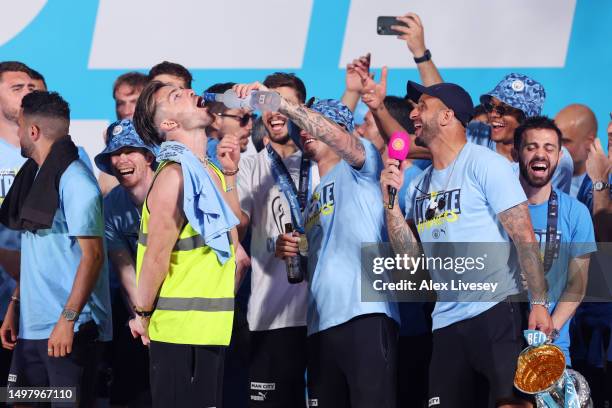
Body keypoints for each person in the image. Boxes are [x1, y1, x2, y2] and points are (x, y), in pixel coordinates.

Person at [381, 81, 552, 407]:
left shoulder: (486, 164)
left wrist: (540, 302)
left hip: (496, 313)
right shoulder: (418, 185)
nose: (413, 113)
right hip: (445, 323)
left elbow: (524, 235)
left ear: (447, 115)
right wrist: (390, 204)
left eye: (422, 106)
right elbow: (410, 262)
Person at [255, 86, 399, 405]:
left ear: (339, 131)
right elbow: (315, 269)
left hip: (365, 314)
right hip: (320, 325)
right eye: (301, 128)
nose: (306, 132)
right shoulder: (311, 204)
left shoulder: (363, 166)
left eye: (317, 124)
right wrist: (295, 253)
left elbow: (337, 138)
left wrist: (280, 103)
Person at [131, 80, 240, 407]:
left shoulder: (211, 173)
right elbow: (156, 259)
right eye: (176, 96)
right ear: (168, 124)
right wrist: (142, 314)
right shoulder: (174, 177)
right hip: (179, 333)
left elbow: (233, 241)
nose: (192, 93)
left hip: (210, 330)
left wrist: (231, 175)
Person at [0, 91, 112, 406]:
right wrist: (15, 305)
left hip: (68, 332)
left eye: (20, 127)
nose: (18, 134)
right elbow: (36, 257)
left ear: (33, 132)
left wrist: (67, 320)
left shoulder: (76, 181)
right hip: (31, 330)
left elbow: (94, 257)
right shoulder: (34, 177)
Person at [235, 72, 313, 408]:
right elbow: (235, 229)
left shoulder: (326, 160)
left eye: (283, 102)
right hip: (270, 318)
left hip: (324, 318)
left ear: (304, 109)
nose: (275, 111)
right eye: (267, 103)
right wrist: (226, 175)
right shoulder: (249, 165)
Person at [513, 116, 596, 365]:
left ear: (559, 156)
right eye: (531, 147)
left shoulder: (576, 212)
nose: (540, 154)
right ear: (517, 153)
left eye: (549, 148)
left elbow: (577, 285)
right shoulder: (498, 208)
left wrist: (549, 334)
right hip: (499, 343)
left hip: (552, 349)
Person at [94, 119, 156, 406]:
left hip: (184, 303)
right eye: (114, 154)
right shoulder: (112, 205)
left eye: (129, 150)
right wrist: (143, 316)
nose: (120, 160)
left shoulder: (175, 189)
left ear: (149, 155)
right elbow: (124, 267)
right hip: (138, 308)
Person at [0, 60, 34, 385]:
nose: (27, 93)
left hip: (38, 309)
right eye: (16, 88)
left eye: (31, 88)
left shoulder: (59, 155)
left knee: (27, 397)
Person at [204, 82, 254, 166]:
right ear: (214, 120)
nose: (250, 126)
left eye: (253, 117)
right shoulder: (216, 160)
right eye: (243, 118)